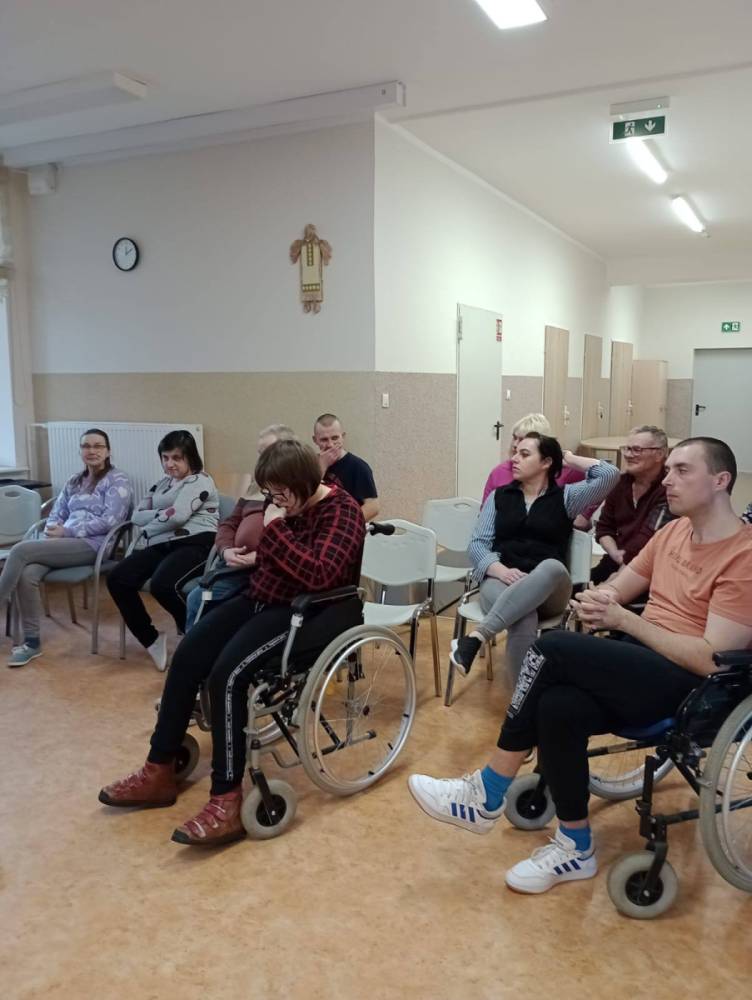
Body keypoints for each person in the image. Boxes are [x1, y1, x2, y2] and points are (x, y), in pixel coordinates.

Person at [409, 437, 752, 895]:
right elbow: (622, 586)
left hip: (688, 684)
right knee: (558, 706)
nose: (668, 480)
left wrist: (623, 619)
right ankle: (576, 847)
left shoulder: (743, 557)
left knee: (553, 648)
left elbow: (711, 659)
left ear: (721, 480)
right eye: (668, 469)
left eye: (682, 470)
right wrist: (599, 599)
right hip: (639, 659)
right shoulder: (673, 533)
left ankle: (487, 791)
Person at [99, 439, 366, 847]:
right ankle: (159, 768)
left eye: (279, 493)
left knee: (229, 675)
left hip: (313, 611)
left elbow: (318, 574)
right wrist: (249, 546)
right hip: (264, 596)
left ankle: (226, 797)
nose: (274, 501)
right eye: (269, 493)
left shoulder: (342, 511)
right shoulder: (285, 503)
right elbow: (271, 554)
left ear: (302, 483)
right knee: (189, 655)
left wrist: (275, 528)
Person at [452, 434, 619, 681]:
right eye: (515, 452)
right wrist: (501, 571)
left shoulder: (567, 497)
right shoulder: (499, 497)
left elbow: (609, 474)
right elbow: (478, 544)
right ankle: (520, 701)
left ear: (546, 462)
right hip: (500, 581)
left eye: (525, 454)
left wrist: (567, 458)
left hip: (551, 589)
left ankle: (477, 636)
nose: (514, 459)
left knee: (551, 566)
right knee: (524, 615)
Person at [0, 429, 132, 667]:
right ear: (80, 451)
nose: (92, 451)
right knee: (28, 573)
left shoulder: (118, 480)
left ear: (108, 451)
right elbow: (57, 512)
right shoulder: (75, 480)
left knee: (20, 550)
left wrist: (67, 532)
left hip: (94, 545)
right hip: (62, 544)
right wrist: (52, 532)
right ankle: (32, 642)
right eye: (86, 446)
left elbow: (111, 521)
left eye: (98, 446)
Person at [107, 430, 219, 670]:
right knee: (117, 578)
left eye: (176, 458)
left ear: (190, 457)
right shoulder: (162, 484)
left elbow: (178, 516)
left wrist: (151, 524)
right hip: (162, 543)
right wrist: (164, 515)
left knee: (163, 585)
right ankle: (151, 639)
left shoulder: (201, 480)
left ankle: (197, 635)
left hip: (196, 542)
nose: (170, 464)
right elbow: (137, 515)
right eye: (165, 458)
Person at [183, 423, 296, 632]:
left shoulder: (290, 493)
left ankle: (198, 645)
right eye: (260, 453)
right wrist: (226, 549)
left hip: (257, 569)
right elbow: (230, 523)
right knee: (195, 598)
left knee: (196, 599)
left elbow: (292, 539)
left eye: (267, 453)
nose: (260, 460)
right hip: (232, 561)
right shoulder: (256, 486)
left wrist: (259, 556)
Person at [592, 425, 672, 584]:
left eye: (637, 450)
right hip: (617, 558)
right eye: (627, 449)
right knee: (570, 589)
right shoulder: (620, 483)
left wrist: (615, 582)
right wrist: (615, 553)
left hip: (651, 569)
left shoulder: (668, 489)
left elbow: (647, 540)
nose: (628, 455)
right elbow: (604, 527)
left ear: (660, 454)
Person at [313, 413, 379, 521]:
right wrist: (322, 467)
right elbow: (304, 498)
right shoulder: (309, 464)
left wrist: (347, 524)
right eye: (324, 440)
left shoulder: (358, 467)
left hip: (345, 526)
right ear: (315, 440)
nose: (330, 444)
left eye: (335, 438)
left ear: (343, 437)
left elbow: (373, 507)